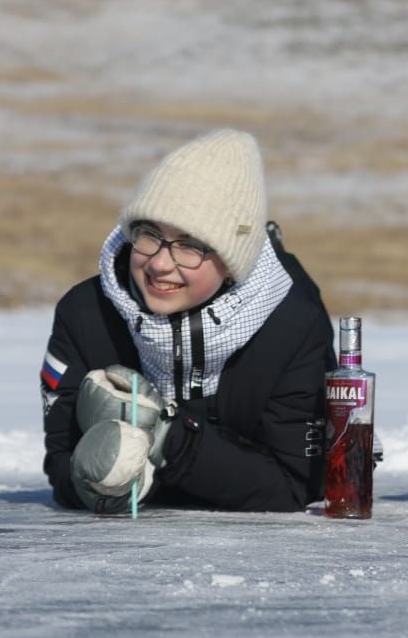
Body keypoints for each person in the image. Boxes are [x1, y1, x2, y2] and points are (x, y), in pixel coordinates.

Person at [41, 128, 336, 514]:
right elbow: (61, 463)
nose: (160, 264)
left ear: (231, 261)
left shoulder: (293, 326)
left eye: (189, 245)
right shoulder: (85, 313)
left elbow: (296, 486)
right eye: (149, 235)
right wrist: (96, 480)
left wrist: (169, 439)